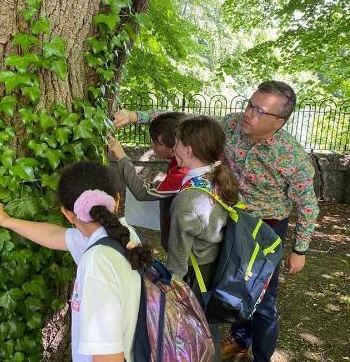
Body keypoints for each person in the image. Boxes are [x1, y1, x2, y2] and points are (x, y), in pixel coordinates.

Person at [113, 81, 320, 362]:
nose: (248, 114)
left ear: (279, 122)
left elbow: (307, 204)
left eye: (259, 111)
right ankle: (238, 338)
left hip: (263, 228)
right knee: (226, 283)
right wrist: (136, 116)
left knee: (262, 298)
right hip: (225, 217)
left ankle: (261, 355)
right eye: (250, 104)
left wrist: (300, 250)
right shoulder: (230, 125)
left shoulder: (292, 156)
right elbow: (186, 125)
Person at [0, 161, 153, 362]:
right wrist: (6, 221)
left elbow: (108, 357)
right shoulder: (124, 239)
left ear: (67, 213)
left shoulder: (97, 263)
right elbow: (56, 236)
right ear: (117, 200)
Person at [167, 115, 239, 362]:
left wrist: (169, 289)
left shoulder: (188, 199)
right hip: (216, 268)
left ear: (187, 150)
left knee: (195, 335)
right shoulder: (219, 180)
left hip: (195, 276)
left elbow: (177, 260)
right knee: (209, 330)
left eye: (176, 143)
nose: (173, 148)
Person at [108, 112, 189, 251]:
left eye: (157, 143)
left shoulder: (182, 174)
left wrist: (121, 155)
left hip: (182, 252)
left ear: (174, 149)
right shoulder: (185, 157)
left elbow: (142, 192)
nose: (152, 146)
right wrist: (131, 116)